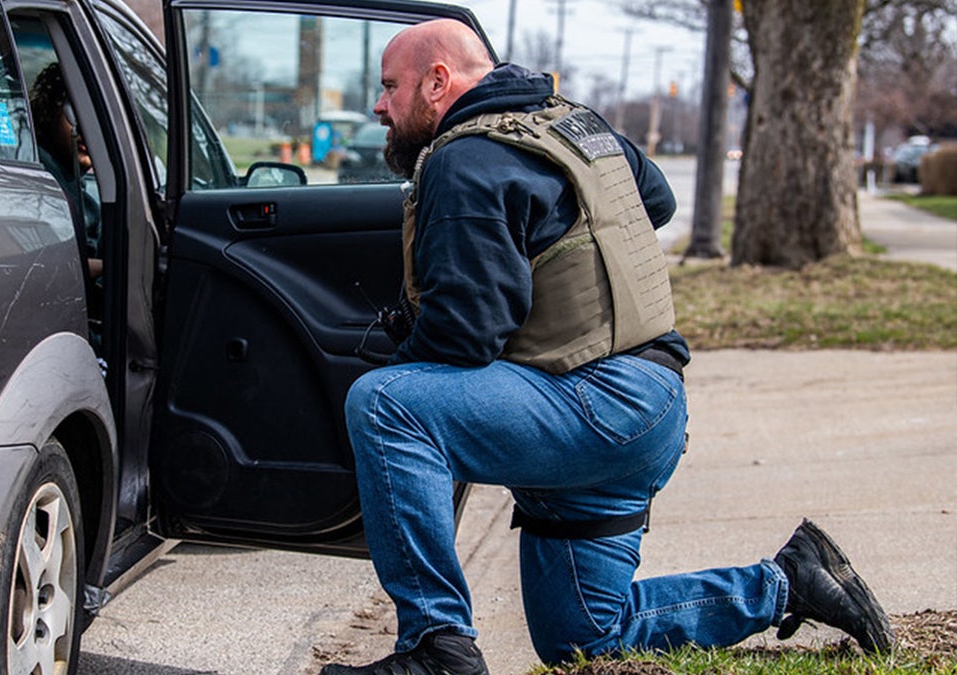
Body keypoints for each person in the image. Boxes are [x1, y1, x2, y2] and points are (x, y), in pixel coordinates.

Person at [322, 19, 894, 675]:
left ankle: (435, 646)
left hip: (596, 409)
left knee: (389, 404)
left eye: (390, 86)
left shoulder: (463, 158)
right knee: (583, 635)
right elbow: (655, 196)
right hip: (650, 405)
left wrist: (404, 376)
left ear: (438, 81)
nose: (380, 105)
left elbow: (466, 333)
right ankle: (790, 581)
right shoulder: (571, 122)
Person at [30, 62, 102, 281]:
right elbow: (53, 268)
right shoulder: (42, 176)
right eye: (76, 111)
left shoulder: (72, 181)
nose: (87, 130)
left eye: (99, 120)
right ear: (49, 110)